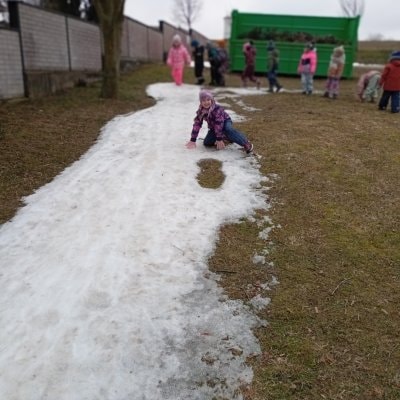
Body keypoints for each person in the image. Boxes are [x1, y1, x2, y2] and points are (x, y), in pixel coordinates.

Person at [185, 89, 254, 154]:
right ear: (201, 102)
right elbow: (197, 124)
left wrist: (219, 139)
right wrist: (193, 140)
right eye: (203, 101)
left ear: (212, 100)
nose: (206, 102)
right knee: (207, 143)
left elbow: (219, 123)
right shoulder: (201, 111)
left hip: (225, 121)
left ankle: (246, 143)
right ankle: (225, 136)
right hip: (213, 127)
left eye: (208, 100)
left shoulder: (217, 109)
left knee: (228, 129)